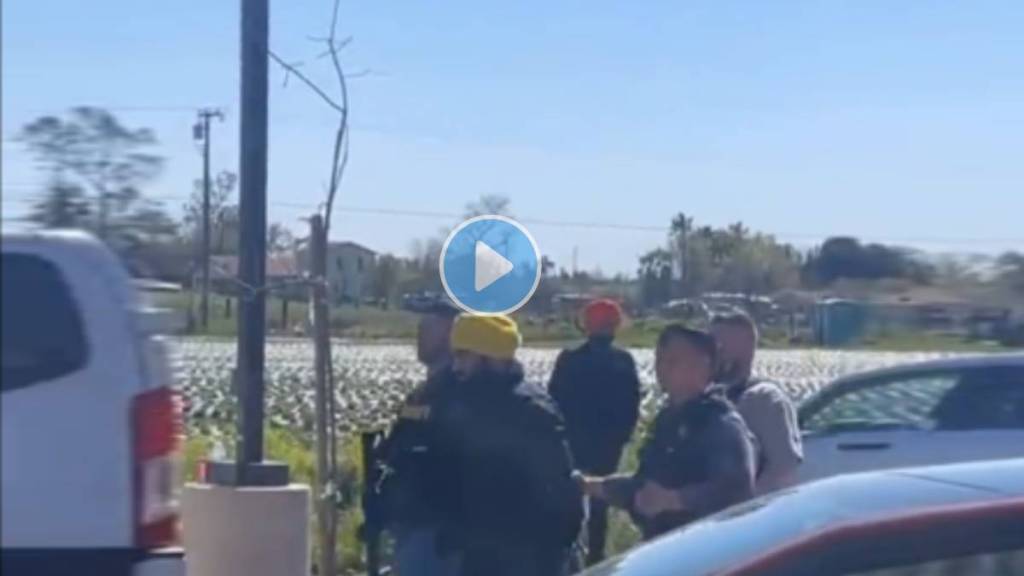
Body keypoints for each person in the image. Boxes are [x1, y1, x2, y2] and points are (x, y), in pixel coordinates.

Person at [578, 325, 756, 541]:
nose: (662, 368)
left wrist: (675, 500)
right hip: (663, 547)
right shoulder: (667, 421)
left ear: (704, 366)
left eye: (673, 361)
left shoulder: (720, 424)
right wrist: (589, 486)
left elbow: (736, 491)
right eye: (659, 360)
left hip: (705, 549)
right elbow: (645, 489)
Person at [440, 314, 584, 576]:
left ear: (490, 357)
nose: (455, 366)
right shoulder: (466, 404)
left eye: (463, 355)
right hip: (477, 553)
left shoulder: (532, 413)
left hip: (527, 558)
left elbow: (561, 493)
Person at [373, 298, 462, 576]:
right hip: (410, 521)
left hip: (437, 527)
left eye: (429, 328)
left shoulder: (457, 389)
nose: (420, 335)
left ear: (450, 333)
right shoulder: (422, 392)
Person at [548, 298, 641, 565]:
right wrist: (622, 437)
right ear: (614, 327)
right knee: (601, 503)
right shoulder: (623, 361)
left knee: (572, 495)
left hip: (574, 441)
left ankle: (568, 557)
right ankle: (597, 560)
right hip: (608, 445)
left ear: (586, 326)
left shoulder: (569, 359)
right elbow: (632, 405)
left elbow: (553, 401)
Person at [710, 311, 803, 494]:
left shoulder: (765, 400)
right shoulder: (707, 398)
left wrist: (744, 507)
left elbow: (783, 471)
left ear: (746, 348)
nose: (711, 354)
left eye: (719, 346)